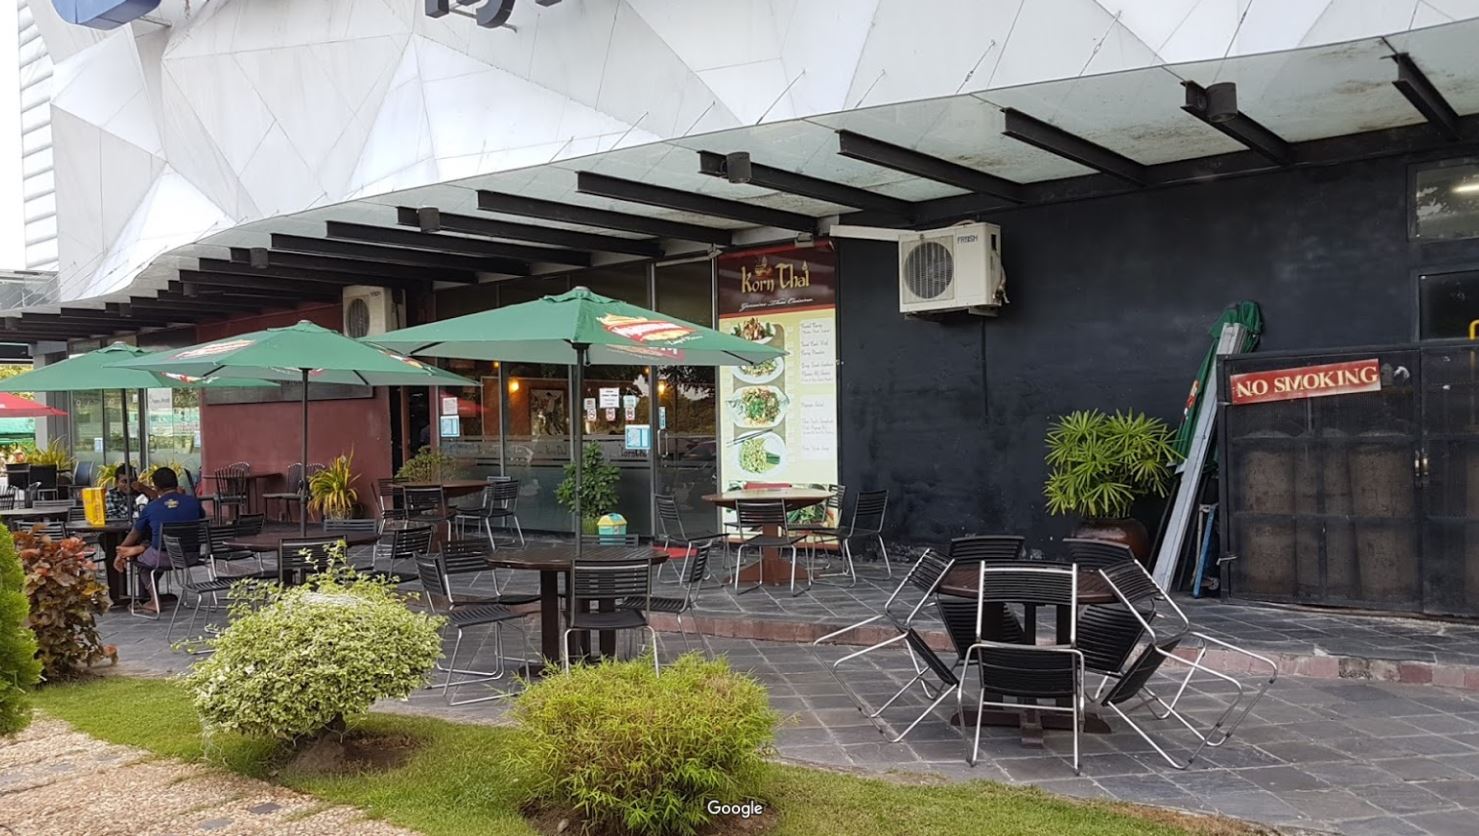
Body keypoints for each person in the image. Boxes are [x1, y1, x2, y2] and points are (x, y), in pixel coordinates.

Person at [112, 467, 205, 614]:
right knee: (153, 548)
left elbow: (135, 533)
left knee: (140, 562)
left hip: (163, 557)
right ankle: (144, 548)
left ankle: (154, 601)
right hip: (191, 556)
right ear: (176, 483)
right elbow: (200, 518)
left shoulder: (151, 507)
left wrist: (120, 551)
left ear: (156, 487)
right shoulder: (193, 502)